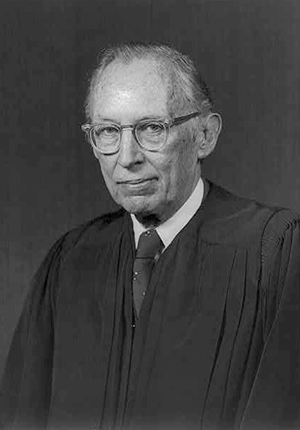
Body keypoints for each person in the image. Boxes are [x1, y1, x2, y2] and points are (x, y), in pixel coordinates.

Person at [1, 43, 300, 430]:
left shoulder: (273, 254)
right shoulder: (69, 263)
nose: (127, 156)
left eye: (151, 128)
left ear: (205, 135)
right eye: (108, 131)